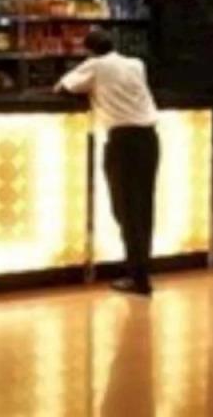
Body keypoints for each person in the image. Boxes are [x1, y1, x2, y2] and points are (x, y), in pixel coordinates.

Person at [54, 30, 159, 296]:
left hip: (122, 141)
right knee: (143, 208)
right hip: (149, 139)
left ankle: (137, 278)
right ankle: (142, 272)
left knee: (124, 209)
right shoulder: (136, 64)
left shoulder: (95, 66)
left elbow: (63, 86)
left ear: (89, 50)